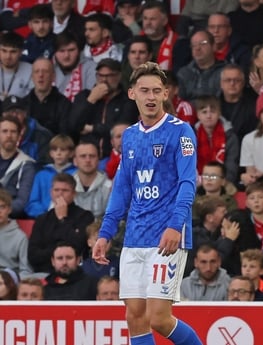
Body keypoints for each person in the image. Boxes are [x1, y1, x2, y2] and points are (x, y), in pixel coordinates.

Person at [92, 62, 202, 345]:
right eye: (144, 91)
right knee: (135, 316)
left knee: (158, 318)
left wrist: (176, 225)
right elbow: (122, 189)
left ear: (166, 93)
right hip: (134, 237)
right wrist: (105, 233)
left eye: (156, 90)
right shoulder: (129, 137)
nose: (150, 97)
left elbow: (187, 182)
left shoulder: (181, 132)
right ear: (132, 94)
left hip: (167, 236)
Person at [28, 173, 94, 274]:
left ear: (74, 193)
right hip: (45, 272)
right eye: (56, 190)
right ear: (51, 193)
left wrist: (62, 220)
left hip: (75, 273)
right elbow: (33, 255)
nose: (60, 194)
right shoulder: (42, 219)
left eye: (65, 190)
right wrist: (57, 252)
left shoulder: (85, 217)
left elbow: (79, 247)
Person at [0, 115, 36, 219]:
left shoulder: (26, 164)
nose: (9, 135)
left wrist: (2, 211)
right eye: (5, 131)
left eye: (13, 131)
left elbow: (22, 202)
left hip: (8, 218)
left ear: (19, 135)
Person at [0, 189, 32, 278]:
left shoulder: (20, 237)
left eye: (2, 207)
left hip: (8, 281)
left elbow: (26, 270)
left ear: (9, 210)